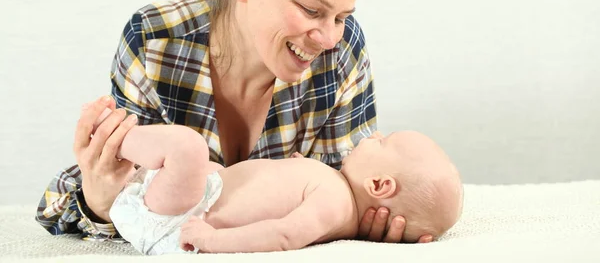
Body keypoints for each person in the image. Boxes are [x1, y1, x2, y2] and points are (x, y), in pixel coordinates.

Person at [36, 0, 434, 244]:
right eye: (312, 9)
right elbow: (127, 194)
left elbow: (353, 187)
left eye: (342, 16)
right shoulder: (156, 40)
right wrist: (98, 203)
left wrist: (364, 221)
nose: (330, 37)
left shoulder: (342, 51)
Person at [101, 104, 462, 254]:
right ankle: (117, 161)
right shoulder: (333, 188)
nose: (371, 135)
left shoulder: (335, 202)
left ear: (379, 185)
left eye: (382, 142)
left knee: (190, 149)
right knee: (208, 168)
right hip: (196, 200)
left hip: (182, 224)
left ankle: (110, 136)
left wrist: (213, 241)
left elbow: (286, 235)